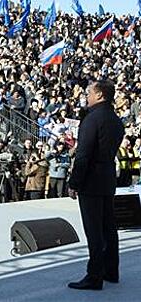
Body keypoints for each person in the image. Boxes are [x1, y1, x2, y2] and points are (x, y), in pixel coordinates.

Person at [67, 80, 125, 290]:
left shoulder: (92, 119)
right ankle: (111, 271)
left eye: (89, 92)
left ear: (100, 95)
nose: (86, 95)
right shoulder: (116, 120)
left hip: (91, 181)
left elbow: (83, 155)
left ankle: (94, 276)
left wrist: (74, 183)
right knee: (109, 227)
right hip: (108, 178)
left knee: (94, 230)